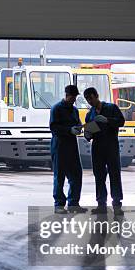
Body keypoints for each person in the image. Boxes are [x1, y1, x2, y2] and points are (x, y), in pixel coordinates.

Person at [83, 87, 125, 216]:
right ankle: (101, 204)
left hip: (111, 146)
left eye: (91, 98)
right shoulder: (90, 114)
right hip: (97, 147)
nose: (90, 101)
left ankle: (117, 204)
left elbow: (121, 122)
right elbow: (88, 133)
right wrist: (87, 134)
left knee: (114, 174)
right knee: (99, 176)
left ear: (97, 96)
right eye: (87, 99)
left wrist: (108, 120)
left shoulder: (111, 108)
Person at [49, 85, 87, 214]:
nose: (73, 99)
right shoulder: (56, 109)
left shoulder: (74, 110)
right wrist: (68, 130)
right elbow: (53, 127)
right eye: (72, 97)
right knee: (59, 176)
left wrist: (78, 128)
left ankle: (73, 204)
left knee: (77, 175)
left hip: (72, 146)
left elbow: (77, 123)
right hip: (59, 146)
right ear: (66, 95)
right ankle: (59, 204)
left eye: (75, 97)